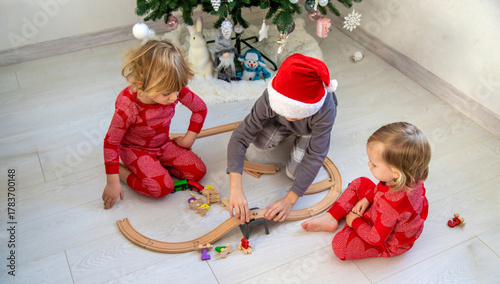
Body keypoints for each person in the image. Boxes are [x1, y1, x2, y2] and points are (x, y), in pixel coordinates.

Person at [227, 53, 338, 224]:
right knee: (260, 142)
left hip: (309, 131)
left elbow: (316, 155)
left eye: (296, 115)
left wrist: (289, 200)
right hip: (277, 121)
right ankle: (288, 130)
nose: (290, 118)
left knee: (294, 174)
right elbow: (241, 136)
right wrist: (235, 188)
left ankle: (301, 136)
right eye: (285, 112)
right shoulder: (271, 97)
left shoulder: (325, 110)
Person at [101, 39, 208, 209]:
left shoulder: (172, 88)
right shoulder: (127, 107)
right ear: (142, 85)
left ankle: (156, 166)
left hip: (162, 144)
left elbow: (200, 109)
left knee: (198, 171)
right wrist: (112, 181)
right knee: (162, 188)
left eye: (177, 90)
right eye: (167, 93)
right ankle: (123, 172)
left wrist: (189, 140)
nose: (174, 97)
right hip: (134, 149)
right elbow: (111, 143)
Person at [301, 122, 431, 260]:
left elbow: (376, 238)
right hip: (384, 215)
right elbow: (380, 189)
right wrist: (368, 199)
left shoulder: (391, 207)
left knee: (340, 246)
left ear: (395, 173)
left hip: (387, 241)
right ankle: (331, 218)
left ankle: (354, 220)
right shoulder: (408, 176)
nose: (369, 164)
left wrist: (355, 221)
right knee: (361, 182)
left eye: (374, 164)